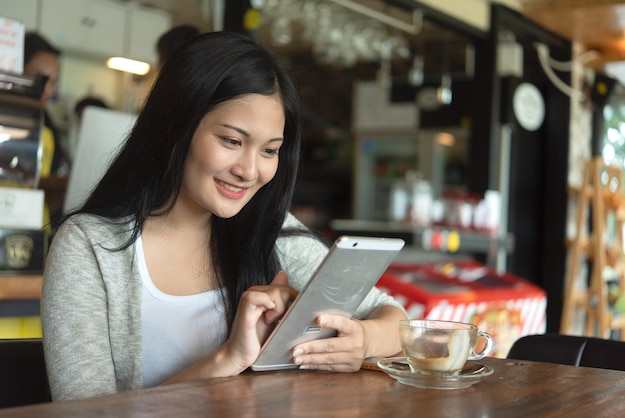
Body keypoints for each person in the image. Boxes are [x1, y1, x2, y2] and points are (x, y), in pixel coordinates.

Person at [41, 31, 407, 401]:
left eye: (269, 150)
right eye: (232, 141)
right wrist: (227, 359)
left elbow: (394, 317)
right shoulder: (90, 248)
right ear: (177, 127)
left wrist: (361, 340)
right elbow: (84, 412)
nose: (250, 170)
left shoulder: (272, 232)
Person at [23, 32, 69, 233]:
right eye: (41, 80)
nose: (49, 91)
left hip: (36, 236)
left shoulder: (47, 133)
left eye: (53, 82)